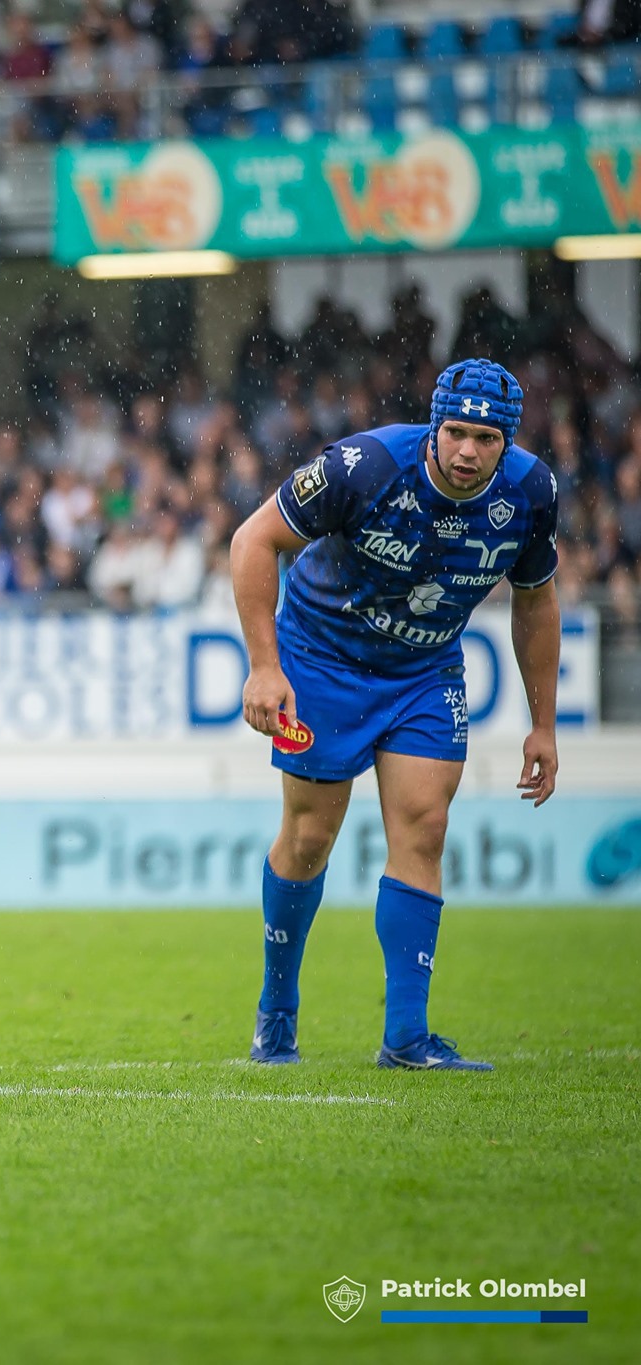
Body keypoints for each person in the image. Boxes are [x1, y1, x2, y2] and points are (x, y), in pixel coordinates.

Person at [230, 358, 559, 1072]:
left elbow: (535, 598)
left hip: (424, 670)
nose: (469, 450)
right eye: (457, 432)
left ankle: (407, 1036)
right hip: (322, 660)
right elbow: (254, 540)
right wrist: (264, 665)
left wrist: (544, 722)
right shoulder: (363, 465)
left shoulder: (532, 492)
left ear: (509, 442)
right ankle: (276, 1011)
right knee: (311, 835)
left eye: (488, 438)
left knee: (426, 825)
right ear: (435, 426)